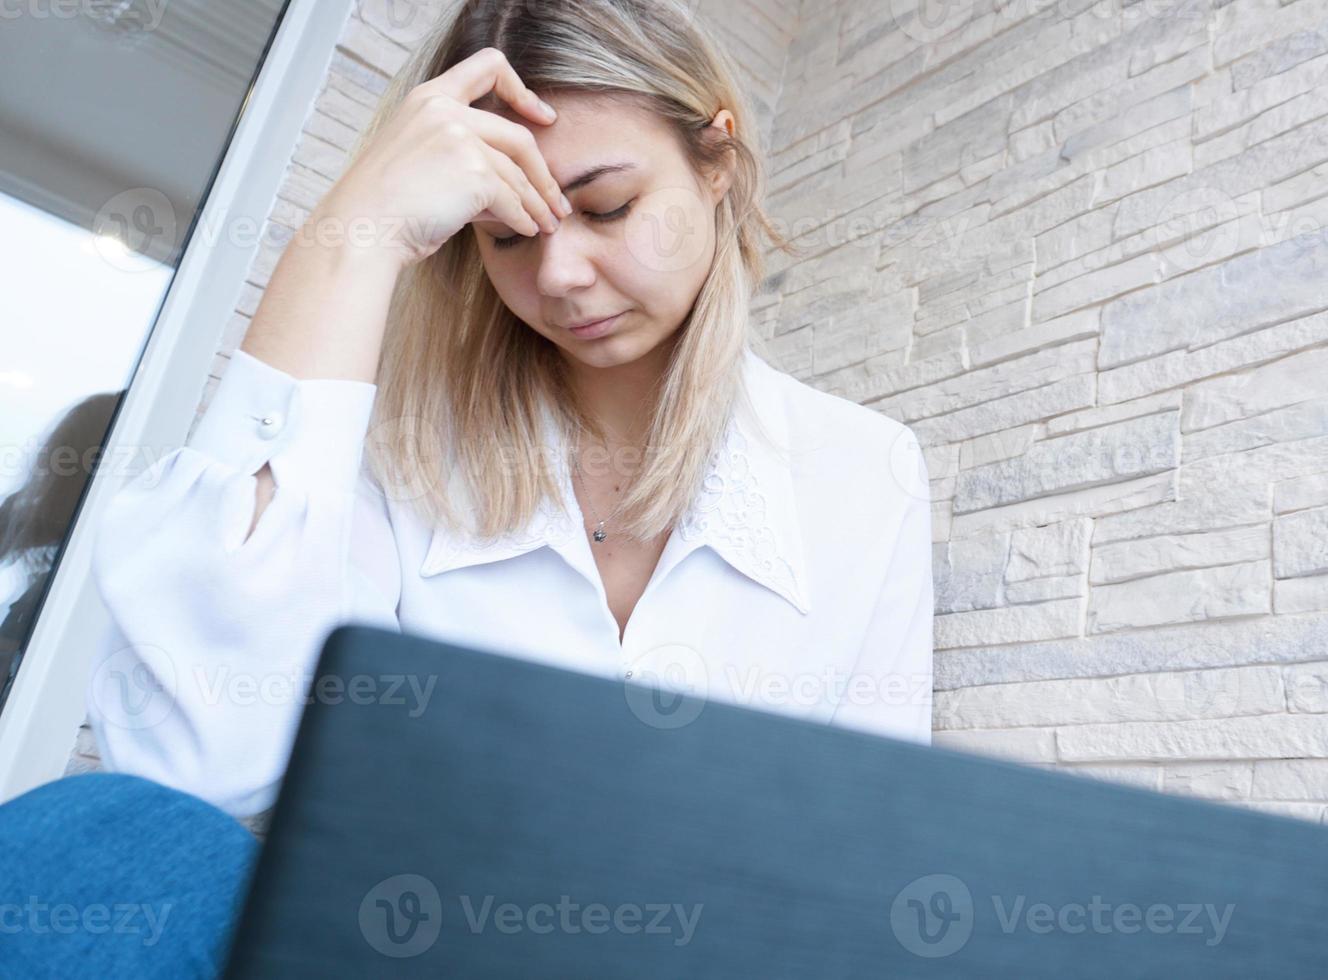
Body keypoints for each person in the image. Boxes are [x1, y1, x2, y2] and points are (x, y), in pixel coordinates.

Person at [2, 1, 935, 974]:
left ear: (716, 165)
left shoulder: (865, 472)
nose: (562, 275)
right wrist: (354, 232)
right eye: (506, 235)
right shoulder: (392, 454)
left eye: (607, 206)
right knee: (106, 831)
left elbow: (870, 846)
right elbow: (198, 762)